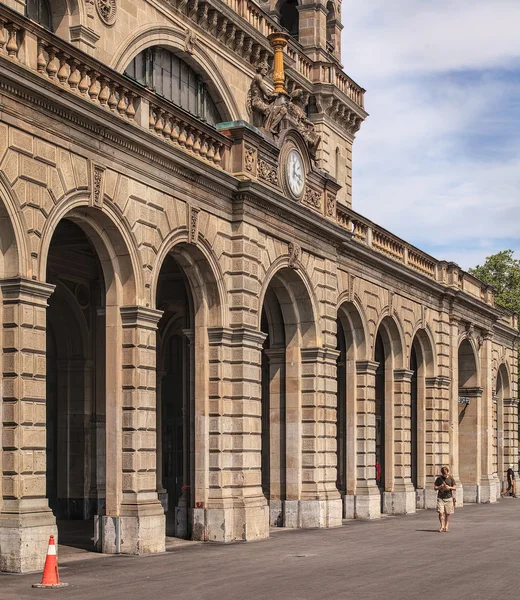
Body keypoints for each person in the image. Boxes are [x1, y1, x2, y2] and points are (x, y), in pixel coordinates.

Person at [434, 466, 456, 532]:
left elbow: (455, 487)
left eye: (445, 473)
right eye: (443, 474)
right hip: (440, 497)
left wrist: (449, 487)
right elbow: (435, 488)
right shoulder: (439, 479)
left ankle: (446, 526)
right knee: (441, 512)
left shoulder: (451, 478)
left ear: (447, 472)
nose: (444, 475)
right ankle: (442, 526)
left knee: (447, 513)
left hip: (448, 497)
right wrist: (440, 486)